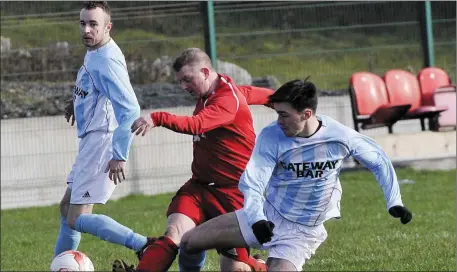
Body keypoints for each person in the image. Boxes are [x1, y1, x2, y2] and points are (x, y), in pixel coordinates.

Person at [179, 78, 413, 271]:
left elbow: (379, 160)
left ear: (306, 113)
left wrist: (395, 202)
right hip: (267, 215)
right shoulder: (271, 136)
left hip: (302, 231)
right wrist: (258, 218)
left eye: (284, 115)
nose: (278, 121)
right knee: (188, 243)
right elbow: (253, 182)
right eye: (277, 114)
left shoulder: (339, 137)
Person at [113, 48, 275, 272]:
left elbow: (197, 125)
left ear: (206, 72)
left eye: (187, 80)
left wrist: (158, 117)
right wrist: (278, 98)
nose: (183, 87)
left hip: (233, 194)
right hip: (199, 188)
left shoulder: (226, 99)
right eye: (179, 81)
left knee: (235, 269)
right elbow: (252, 93)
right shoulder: (213, 92)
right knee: (175, 235)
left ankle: (260, 266)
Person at [54, 1, 149, 260]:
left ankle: (146, 245)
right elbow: (96, 88)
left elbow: (130, 109)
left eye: (93, 24)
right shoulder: (96, 50)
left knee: (76, 217)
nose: (86, 29)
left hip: (102, 142)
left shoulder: (107, 60)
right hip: (92, 140)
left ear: (108, 27)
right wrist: (77, 103)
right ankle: (60, 265)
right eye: (83, 23)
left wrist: (119, 153)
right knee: (66, 208)